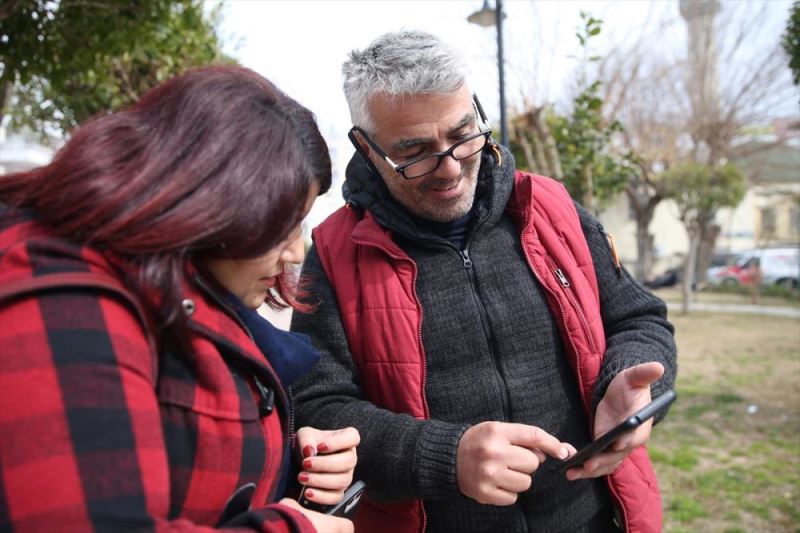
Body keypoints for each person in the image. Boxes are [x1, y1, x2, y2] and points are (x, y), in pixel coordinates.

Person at [290, 31, 677, 533]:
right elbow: (317, 408)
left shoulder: (550, 207)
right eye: (415, 152)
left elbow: (638, 315)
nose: (449, 166)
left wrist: (630, 379)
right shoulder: (335, 252)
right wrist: (447, 458)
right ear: (366, 146)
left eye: (462, 133)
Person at [0, 66, 360, 532]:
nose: (296, 251)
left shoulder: (184, 282)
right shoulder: (62, 295)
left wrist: (290, 463)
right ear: (210, 205)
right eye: (281, 225)